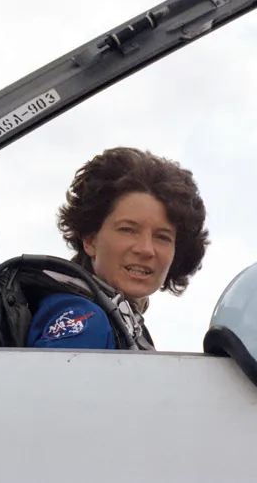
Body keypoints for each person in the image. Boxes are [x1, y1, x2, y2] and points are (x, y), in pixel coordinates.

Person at [25, 146, 210, 349]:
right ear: (90, 240)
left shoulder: (124, 324)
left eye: (162, 237)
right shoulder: (87, 320)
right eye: (128, 230)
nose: (146, 249)